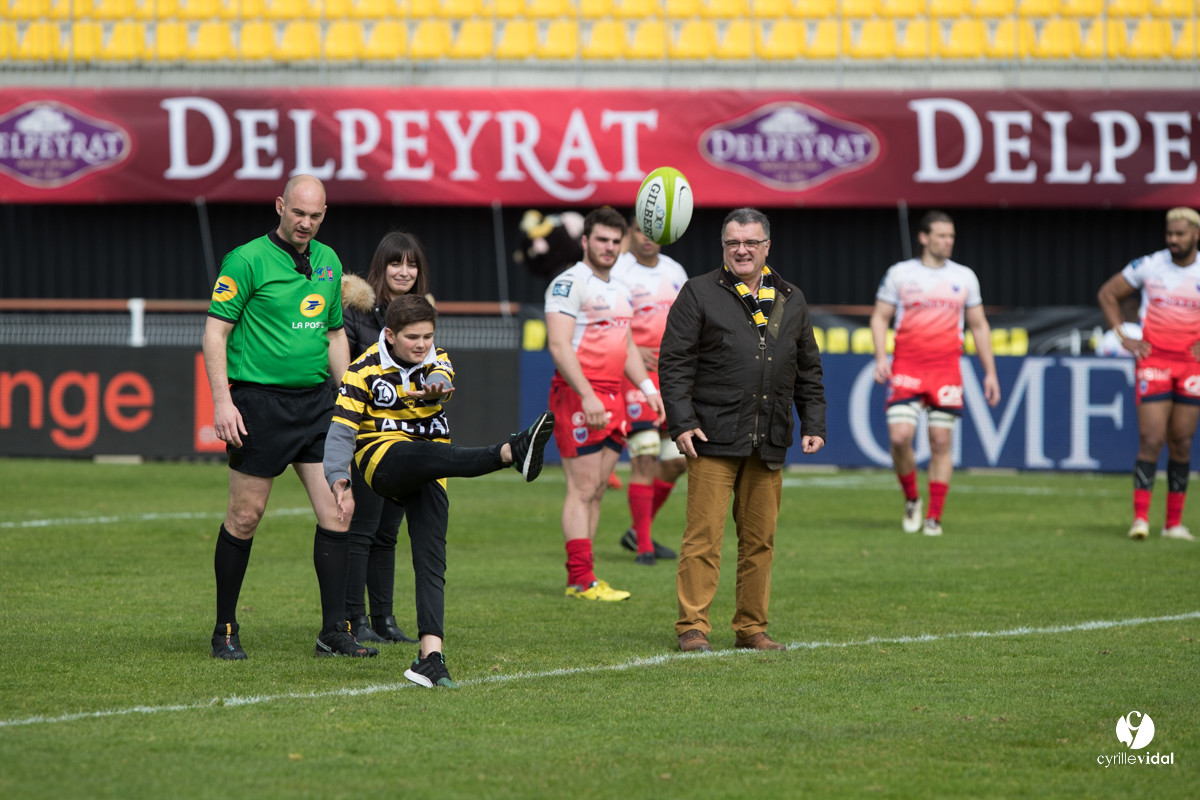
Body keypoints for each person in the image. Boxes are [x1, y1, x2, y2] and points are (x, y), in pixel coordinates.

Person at [325, 294, 555, 688]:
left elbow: (442, 381)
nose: (421, 344)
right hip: (382, 459)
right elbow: (342, 432)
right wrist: (339, 479)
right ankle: (509, 451)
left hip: (432, 465)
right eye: (412, 337)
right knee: (427, 452)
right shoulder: (361, 370)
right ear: (389, 335)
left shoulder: (438, 358)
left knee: (432, 561)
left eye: (428, 336)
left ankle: (430, 657)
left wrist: (434, 387)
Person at [204, 174, 376, 660]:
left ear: (325, 214)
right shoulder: (246, 260)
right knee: (245, 516)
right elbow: (215, 335)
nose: (306, 223)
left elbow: (335, 335)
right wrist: (223, 402)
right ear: (280, 206)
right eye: (298, 212)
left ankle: (334, 631)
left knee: (340, 511)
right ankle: (225, 629)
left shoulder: (329, 260)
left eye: (315, 215)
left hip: (318, 404)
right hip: (259, 404)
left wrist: (349, 396)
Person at [659, 207, 827, 653]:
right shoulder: (697, 293)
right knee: (703, 539)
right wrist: (682, 423)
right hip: (711, 438)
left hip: (768, 438)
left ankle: (751, 628)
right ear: (723, 247)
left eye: (751, 242)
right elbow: (674, 364)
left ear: (767, 246)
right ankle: (692, 628)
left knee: (759, 543)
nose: (742, 250)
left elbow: (808, 369)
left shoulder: (792, 297)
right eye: (733, 242)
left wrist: (814, 422)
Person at [545, 206, 665, 602]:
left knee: (596, 489)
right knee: (581, 489)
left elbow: (626, 344)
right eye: (602, 240)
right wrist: (588, 394)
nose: (609, 247)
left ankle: (586, 576)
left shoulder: (620, 288)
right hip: (580, 394)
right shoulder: (568, 283)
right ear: (585, 241)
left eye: (616, 241)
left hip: (613, 396)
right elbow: (559, 346)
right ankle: (580, 579)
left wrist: (648, 387)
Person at [870, 210, 1001, 537]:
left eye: (951, 236)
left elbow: (979, 326)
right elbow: (879, 317)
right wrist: (879, 356)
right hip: (907, 366)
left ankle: (934, 516)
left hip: (946, 369)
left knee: (941, 442)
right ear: (924, 237)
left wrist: (990, 373)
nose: (948, 241)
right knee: (899, 437)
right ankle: (912, 498)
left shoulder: (965, 277)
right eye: (941, 235)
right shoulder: (901, 274)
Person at [339, 231, 431, 646]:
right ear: (382, 267)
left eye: (412, 265)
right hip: (365, 435)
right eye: (397, 263)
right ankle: (353, 620)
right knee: (361, 529)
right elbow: (348, 376)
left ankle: (384, 619)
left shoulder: (420, 315)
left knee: (388, 533)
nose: (404, 271)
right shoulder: (356, 313)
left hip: (406, 437)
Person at [1097, 206, 1200, 542]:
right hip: (1154, 361)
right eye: (1169, 233)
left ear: (1195, 234)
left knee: (1182, 443)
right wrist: (1123, 337)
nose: (1173, 239)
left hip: (1190, 365)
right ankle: (1140, 518)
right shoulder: (1150, 265)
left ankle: (1173, 523)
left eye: (1180, 234)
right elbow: (1108, 293)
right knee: (1152, 439)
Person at [611, 220, 690, 565]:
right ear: (631, 232)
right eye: (641, 229)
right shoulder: (618, 271)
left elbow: (690, 321)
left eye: (654, 230)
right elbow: (607, 320)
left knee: (677, 461)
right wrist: (628, 349)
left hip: (672, 377)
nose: (647, 237)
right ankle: (644, 546)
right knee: (644, 456)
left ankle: (636, 530)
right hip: (634, 376)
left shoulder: (675, 271)